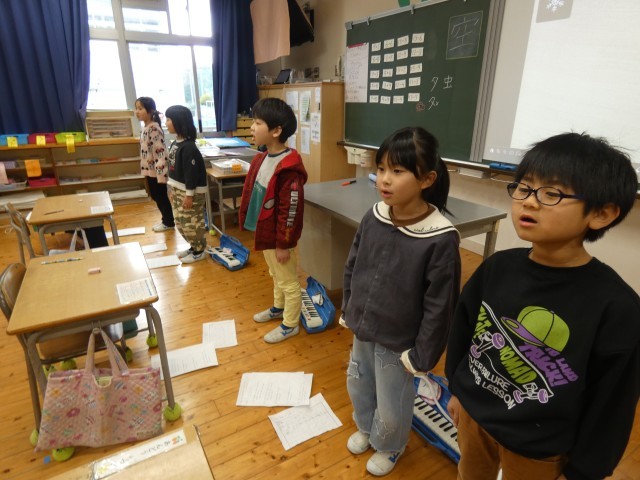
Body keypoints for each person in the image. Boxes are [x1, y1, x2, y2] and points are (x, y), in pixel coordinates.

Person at [445, 132, 640, 480]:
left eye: (552, 193)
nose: (529, 202)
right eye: (524, 188)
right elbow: (464, 330)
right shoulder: (497, 267)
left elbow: (612, 402)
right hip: (474, 418)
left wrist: (584, 470)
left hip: (539, 446)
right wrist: (458, 390)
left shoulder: (617, 307)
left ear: (601, 214)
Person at [341, 126, 461, 476]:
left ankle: (391, 444)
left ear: (426, 179)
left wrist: (423, 355)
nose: (384, 179)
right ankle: (366, 427)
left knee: (393, 400)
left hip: (399, 341)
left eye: (397, 170)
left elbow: (441, 306)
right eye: (381, 169)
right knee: (358, 382)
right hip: (363, 327)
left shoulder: (440, 237)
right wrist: (349, 307)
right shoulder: (375, 215)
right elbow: (353, 264)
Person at [238, 97, 307, 344]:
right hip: (265, 231)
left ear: (276, 131)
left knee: (288, 281)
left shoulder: (289, 168)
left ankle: (290, 324)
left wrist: (283, 243)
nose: (252, 127)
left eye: (258, 123)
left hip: (280, 238)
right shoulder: (261, 158)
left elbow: (290, 211)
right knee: (275, 274)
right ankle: (279, 308)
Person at [165, 105, 208, 264]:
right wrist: (170, 188)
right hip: (178, 190)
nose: (166, 122)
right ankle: (193, 246)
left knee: (191, 223)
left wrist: (189, 196)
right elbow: (173, 168)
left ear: (178, 121)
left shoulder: (189, 147)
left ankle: (199, 250)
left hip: (190, 192)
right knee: (180, 222)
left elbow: (191, 174)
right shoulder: (175, 143)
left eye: (169, 119)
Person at [135, 96, 175, 233]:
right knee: (156, 196)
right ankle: (166, 220)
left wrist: (160, 174)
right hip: (149, 170)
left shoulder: (154, 128)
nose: (137, 111)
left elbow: (160, 153)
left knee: (160, 197)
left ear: (150, 110)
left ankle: (168, 222)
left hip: (157, 171)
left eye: (140, 108)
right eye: (136, 108)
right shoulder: (146, 128)